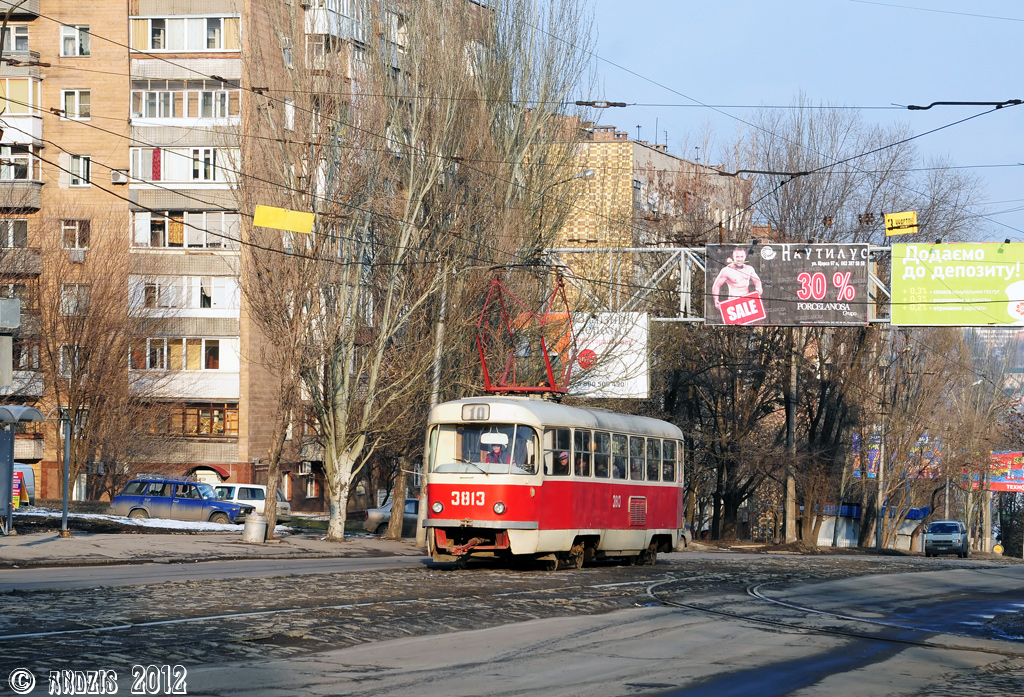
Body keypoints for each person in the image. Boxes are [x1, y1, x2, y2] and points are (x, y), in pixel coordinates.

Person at [710, 247, 763, 320]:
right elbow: (716, 285)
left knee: (750, 325)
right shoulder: (726, 270)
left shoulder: (749, 269)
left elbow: (757, 281)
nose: (739, 259)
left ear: (745, 257)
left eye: (742, 256)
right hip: (733, 304)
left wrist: (758, 288)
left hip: (747, 303)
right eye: (737, 257)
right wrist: (716, 300)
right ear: (733, 257)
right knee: (733, 326)